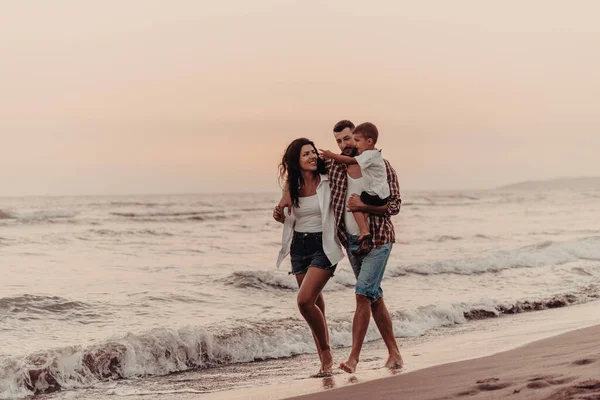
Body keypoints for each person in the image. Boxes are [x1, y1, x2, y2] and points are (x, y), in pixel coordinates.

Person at [273, 138, 345, 376]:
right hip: (299, 247)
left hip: (323, 245)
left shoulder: (328, 180)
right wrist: (280, 215)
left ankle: (326, 353)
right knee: (315, 303)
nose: (312, 156)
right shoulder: (291, 186)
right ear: (296, 160)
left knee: (304, 301)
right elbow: (288, 215)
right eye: (306, 154)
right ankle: (324, 360)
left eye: (313, 152)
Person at [319, 122, 389, 255]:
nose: (343, 145)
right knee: (360, 277)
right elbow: (302, 169)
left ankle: (365, 231)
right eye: (339, 141)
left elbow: (394, 206)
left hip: (378, 241)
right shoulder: (333, 165)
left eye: (347, 139)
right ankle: (364, 233)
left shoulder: (381, 164)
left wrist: (361, 207)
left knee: (354, 203)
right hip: (350, 241)